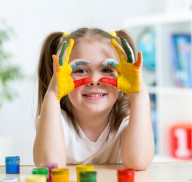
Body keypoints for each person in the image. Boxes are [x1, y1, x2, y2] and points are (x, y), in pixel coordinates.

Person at [33, 28, 154, 170]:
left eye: (107, 70)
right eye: (80, 70)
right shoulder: (54, 119)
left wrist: (139, 93)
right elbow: (49, 166)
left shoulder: (127, 121)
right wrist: (53, 95)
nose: (95, 80)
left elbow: (138, 162)